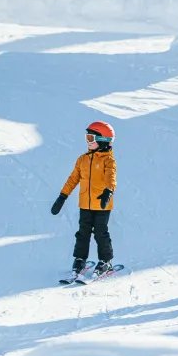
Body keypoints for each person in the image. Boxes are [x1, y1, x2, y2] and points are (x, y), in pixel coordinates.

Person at [51, 121, 117, 282]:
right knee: (82, 234)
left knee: (101, 234)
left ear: (103, 140)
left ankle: (105, 261)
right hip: (85, 205)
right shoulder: (83, 160)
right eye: (86, 137)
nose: (87, 141)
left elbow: (111, 177)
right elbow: (73, 179)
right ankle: (80, 260)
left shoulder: (108, 161)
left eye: (91, 137)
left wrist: (108, 191)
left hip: (102, 205)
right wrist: (62, 196)